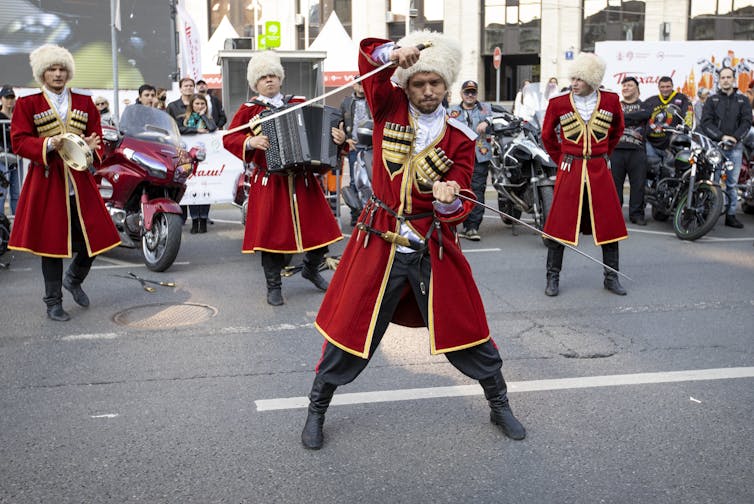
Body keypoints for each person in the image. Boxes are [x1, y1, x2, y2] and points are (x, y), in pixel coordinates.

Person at [300, 31, 526, 451]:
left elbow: (465, 192)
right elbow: (369, 60)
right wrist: (392, 53)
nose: (427, 90)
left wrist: (448, 198)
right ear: (406, 82)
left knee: (469, 330)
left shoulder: (460, 136)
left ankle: (499, 404)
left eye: (434, 83)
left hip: (433, 245)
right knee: (350, 333)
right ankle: (316, 410)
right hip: (378, 242)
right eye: (419, 83)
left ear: (447, 85)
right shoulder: (387, 106)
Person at [8, 44, 120, 321]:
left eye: (61, 69)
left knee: (98, 238)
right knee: (51, 244)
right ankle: (53, 303)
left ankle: (74, 278)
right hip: (47, 182)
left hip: (80, 183)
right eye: (52, 69)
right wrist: (48, 143)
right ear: (42, 73)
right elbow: (19, 142)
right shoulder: (27, 103)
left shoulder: (84, 102)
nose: (57, 74)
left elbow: (97, 141)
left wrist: (94, 147)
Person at [223, 50, 344, 306]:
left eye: (273, 75)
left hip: (303, 180)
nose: (269, 80)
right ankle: (273, 286)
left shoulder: (299, 102)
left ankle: (311, 269)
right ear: (255, 83)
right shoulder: (249, 110)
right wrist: (250, 140)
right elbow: (229, 138)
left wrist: (337, 140)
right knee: (270, 238)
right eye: (263, 77)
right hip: (271, 182)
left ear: (280, 79)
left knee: (321, 231)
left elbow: (323, 132)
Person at [541, 52, 627, 297]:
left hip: (600, 170)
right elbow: (547, 136)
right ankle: (552, 277)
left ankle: (612, 277)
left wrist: (602, 155)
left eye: (580, 78)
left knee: (609, 227)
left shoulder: (611, 100)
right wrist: (563, 160)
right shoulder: (558, 103)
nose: (575, 83)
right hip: (571, 170)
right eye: (573, 78)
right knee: (559, 227)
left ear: (593, 79)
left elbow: (617, 130)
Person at [700, 66, 752, 229]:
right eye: (723, 78)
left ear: (733, 79)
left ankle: (731, 215)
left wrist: (735, 138)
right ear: (719, 80)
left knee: (732, 184)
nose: (726, 80)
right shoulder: (712, 100)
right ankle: (709, 215)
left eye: (729, 77)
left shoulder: (743, 100)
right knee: (713, 182)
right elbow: (705, 122)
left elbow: (746, 122)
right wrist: (721, 137)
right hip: (715, 146)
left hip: (735, 147)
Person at [448, 80, 493, 241]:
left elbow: (494, 118)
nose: (470, 95)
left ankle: (472, 227)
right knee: (456, 190)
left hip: (479, 157)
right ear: (461, 94)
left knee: (477, 191)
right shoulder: (452, 111)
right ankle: (452, 223)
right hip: (457, 159)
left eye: (473, 92)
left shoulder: (486, 109)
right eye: (467, 92)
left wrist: (486, 122)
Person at [610, 76, 651, 226]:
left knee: (638, 185)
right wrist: (629, 119)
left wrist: (623, 118)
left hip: (637, 151)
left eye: (629, 85)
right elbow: (612, 119)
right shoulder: (615, 105)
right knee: (615, 185)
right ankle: (614, 213)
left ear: (637, 89)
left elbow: (645, 115)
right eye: (624, 85)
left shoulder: (645, 105)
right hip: (616, 150)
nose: (625, 88)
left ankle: (637, 214)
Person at [181, 93, 217, 234]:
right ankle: (195, 220)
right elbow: (181, 129)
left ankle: (204, 219)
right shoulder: (185, 119)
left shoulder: (208, 118)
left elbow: (212, 128)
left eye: (202, 104)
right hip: (189, 160)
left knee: (204, 189)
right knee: (193, 189)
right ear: (191, 105)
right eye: (197, 104)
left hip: (206, 160)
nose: (200, 106)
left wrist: (203, 116)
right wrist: (196, 130)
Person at [339, 76, 373, 225]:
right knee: (355, 181)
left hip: (372, 147)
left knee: (371, 180)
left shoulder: (372, 100)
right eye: (359, 84)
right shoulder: (346, 102)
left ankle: (371, 214)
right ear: (354, 85)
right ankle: (356, 214)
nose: (361, 87)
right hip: (354, 146)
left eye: (363, 84)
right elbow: (339, 122)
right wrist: (346, 139)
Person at [644, 76, 693, 161]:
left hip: (671, 143)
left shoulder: (682, 98)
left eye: (668, 86)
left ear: (672, 86)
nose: (665, 89)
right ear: (658, 87)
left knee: (672, 169)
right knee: (652, 168)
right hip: (651, 142)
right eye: (662, 87)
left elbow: (688, 115)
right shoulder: (650, 101)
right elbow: (641, 117)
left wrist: (687, 127)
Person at [0, 85, 20, 216]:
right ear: (1, 99)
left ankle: (17, 224)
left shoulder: (18, 116)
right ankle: (2, 225)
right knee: (2, 193)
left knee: (16, 193)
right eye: (7, 97)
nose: (10, 100)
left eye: (12, 97)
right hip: (2, 158)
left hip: (16, 158)